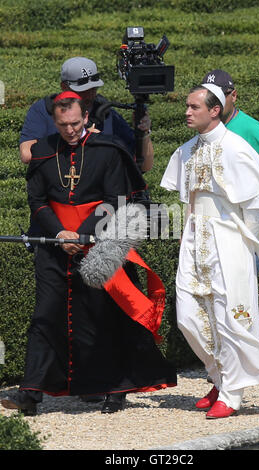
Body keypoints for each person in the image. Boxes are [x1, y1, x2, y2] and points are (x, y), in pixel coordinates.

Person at [1, 93, 176, 416]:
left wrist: (82, 236)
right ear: (55, 121)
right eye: (63, 124)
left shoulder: (107, 150)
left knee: (102, 317)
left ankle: (113, 389)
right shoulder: (42, 151)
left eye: (75, 123)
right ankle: (31, 391)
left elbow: (115, 199)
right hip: (53, 245)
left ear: (86, 119)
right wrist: (59, 234)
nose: (69, 130)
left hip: (98, 244)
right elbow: (37, 200)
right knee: (44, 316)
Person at [160, 84, 259, 418]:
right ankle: (218, 376)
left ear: (214, 109)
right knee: (189, 313)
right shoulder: (186, 150)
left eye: (193, 107)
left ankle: (231, 392)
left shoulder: (238, 149)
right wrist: (186, 234)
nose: (187, 112)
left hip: (229, 240)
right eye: (187, 107)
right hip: (194, 239)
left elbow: (254, 205)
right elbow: (187, 199)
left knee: (229, 317)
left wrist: (244, 247)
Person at [202, 69, 259, 349]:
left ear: (232, 96)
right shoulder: (206, 129)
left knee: (239, 286)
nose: (214, 100)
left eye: (220, 96)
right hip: (218, 223)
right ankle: (251, 343)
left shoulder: (251, 129)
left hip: (249, 224)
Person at [19, 56, 154, 173]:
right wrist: (81, 139)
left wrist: (144, 133)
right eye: (83, 90)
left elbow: (144, 166)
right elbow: (27, 154)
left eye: (93, 88)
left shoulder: (106, 112)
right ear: (64, 87)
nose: (90, 94)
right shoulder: (43, 110)